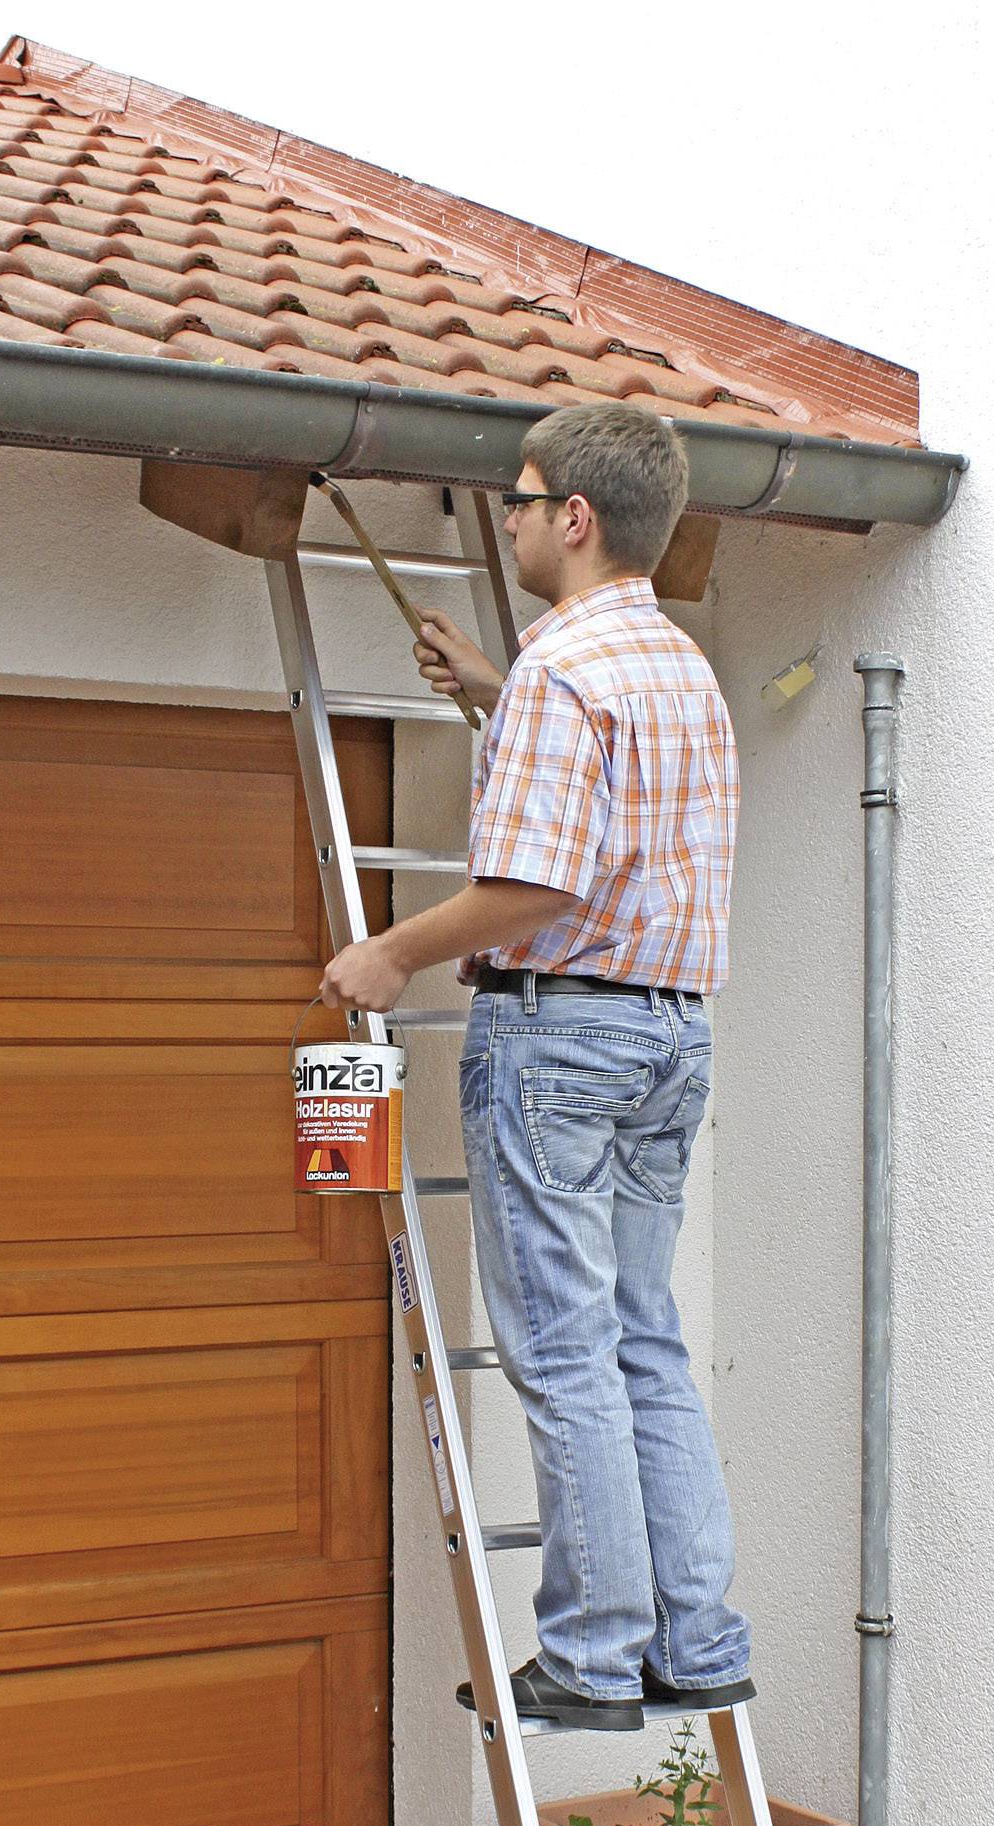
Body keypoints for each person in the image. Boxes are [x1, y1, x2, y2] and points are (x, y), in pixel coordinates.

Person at [320, 401, 750, 1734]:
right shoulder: (671, 667)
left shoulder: (566, 669)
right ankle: (695, 1637)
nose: (504, 520)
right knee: (639, 1342)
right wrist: (495, 699)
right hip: (668, 1034)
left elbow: (530, 883)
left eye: (513, 502)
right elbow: (617, 814)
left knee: (562, 1353)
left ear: (571, 517)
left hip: (560, 1035)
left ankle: (591, 1657)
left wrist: (390, 952)